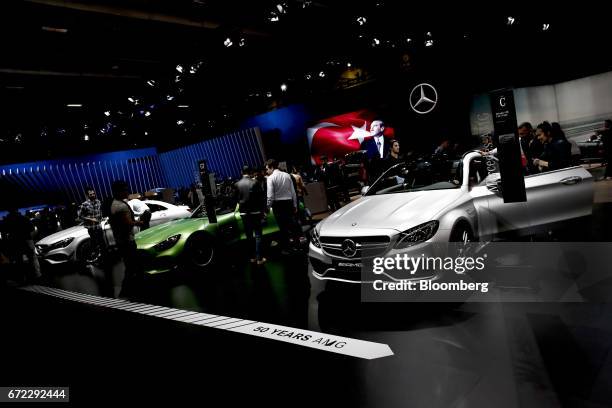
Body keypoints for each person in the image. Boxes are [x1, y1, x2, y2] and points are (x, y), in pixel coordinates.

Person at [109, 180, 145, 298]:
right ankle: (126, 293)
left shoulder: (115, 203)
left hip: (122, 241)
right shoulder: (120, 206)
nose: (127, 191)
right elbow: (128, 223)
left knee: (132, 266)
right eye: (124, 189)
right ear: (118, 191)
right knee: (132, 267)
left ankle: (132, 290)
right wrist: (139, 222)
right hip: (126, 241)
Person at [265, 159, 299, 253]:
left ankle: (287, 249)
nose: (267, 171)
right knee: (292, 225)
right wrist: (295, 205)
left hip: (278, 205)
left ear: (272, 167)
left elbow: (270, 196)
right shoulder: (287, 175)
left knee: (283, 228)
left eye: (267, 169)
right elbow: (293, 192)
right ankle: (297, 245)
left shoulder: (270, 178)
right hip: (289, 203)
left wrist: (267, 208)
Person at [235, 166, 266, 265]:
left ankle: (252, 258)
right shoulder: (255, 182)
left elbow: (235, 199)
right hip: (255, 212)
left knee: (249, 235)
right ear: (251, 172)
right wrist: (263, 211)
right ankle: (259, 258)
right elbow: (262, 198)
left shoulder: (237, 184)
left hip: (244, 213)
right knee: (258, 235)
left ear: (241, 172)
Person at [2, 206, 41, 283]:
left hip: (15, 241)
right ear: (17, 210)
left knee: (18, 259)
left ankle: (22, 277)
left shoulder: (7, 220)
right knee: (32, 257)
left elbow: (4, 232)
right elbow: (32, 229)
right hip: (26, 239)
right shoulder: (23, 218)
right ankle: (37, 274)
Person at [78, 187, 105, 263]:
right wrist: (90, 219)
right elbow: (80, 216)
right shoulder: (84, 204)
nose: (93, 195)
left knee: (102, 242)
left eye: (93, 193)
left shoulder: (98, 202)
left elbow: (100, 213)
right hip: (91, 228)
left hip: (99, 226)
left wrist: (101, 218)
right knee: (94, 243)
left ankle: (103, 257)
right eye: (91, 194)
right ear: (87, 195)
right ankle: (94, 258)